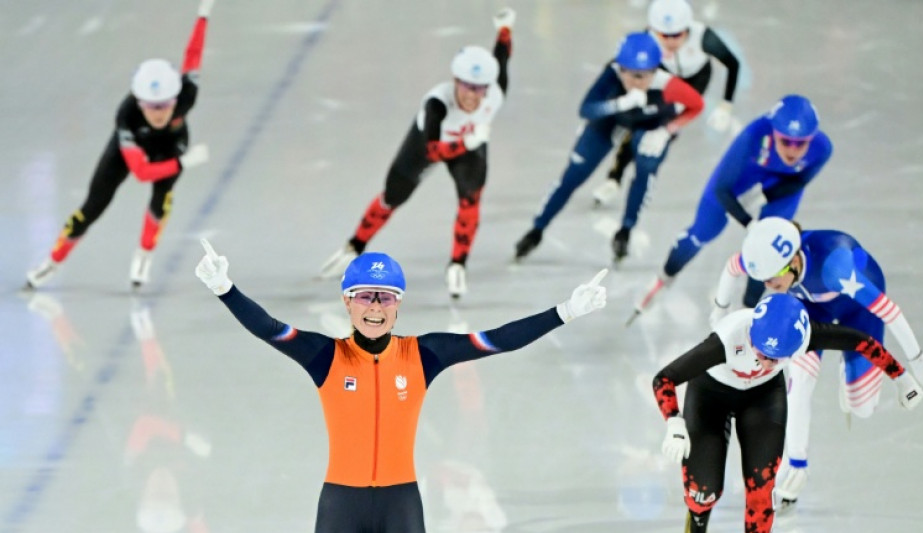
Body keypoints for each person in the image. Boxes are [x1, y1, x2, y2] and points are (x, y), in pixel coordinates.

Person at [194, 238, 607, 532]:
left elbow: (498, 339)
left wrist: (566, 311)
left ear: (399, 304)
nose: (375, 307)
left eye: (386, 298)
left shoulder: (423, 355)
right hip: (341, 503)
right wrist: (224, 289)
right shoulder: (325, 356)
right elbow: (268, 328)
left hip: (400, 504)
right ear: (346, 302)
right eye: (365, 296)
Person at [707, 217, 923, 507]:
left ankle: (850, 369)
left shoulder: (835, 266)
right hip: (810, 309)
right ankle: (796, 466)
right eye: (763, 280)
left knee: (863, 408)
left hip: (857, 310)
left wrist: (916, 360)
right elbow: (732, 268)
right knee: (800, 381)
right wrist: (719, 311)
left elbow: (889, 311)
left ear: (793, 261)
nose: (768, 285)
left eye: (772, 278)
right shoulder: (766, 256)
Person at [653, 293, 923, 533]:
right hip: (710, 396)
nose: (765, 361)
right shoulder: (726, 339)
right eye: (761, 352)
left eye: (776, 358)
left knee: (761, 491)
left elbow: (861, 342)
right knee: (703, 491)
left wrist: (902, 378)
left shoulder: (805, 336)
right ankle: (698, 524)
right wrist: (674, 422)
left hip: (761, 396)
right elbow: (664, 378)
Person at [317, 8, 516, 299]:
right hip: (429, 145)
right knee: (393, 195)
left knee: (471, 196)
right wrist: (468, 142)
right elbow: (433, 151)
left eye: (480, 89)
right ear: (455, 81)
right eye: (466, 86)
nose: (473, 95)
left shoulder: (495, 92)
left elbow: (502, 56)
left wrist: (505, 29)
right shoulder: (437, 104)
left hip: (468, 145)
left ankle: (458, 264)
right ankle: (355, 246)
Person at [23, 0, 215, 290]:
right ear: (139, 102)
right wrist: (182, 163)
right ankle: (52, 262)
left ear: (175, 100)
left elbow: (193, 54)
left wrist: (203, 15)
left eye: (164, 105)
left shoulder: (187, 95)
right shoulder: (126, 115)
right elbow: (140, 172)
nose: (159, 113)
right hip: (135, 154)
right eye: (151, 107)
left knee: (160, 204)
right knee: (92, 207)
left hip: (170, 146)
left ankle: (144, 256)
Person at [626, 94, 832, 323]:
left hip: (781, 189)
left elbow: (798, 182)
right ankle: (664, 277)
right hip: (739, 180)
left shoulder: (822, 149)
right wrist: (748, 221)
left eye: (801, 143)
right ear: (773, 133)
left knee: (770, 250)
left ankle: (749, 310)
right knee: (703, 230)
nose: (793, 150)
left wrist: (763, 197)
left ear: (811, 139)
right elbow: (722, 190)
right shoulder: (753, 135)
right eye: (786, 141)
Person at [513, 31, 703, 263]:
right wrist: (619, 103)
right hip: (613, 120)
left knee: (646, 166)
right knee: (573, 176)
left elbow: (697, 105)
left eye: (642, 77)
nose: (634, 82)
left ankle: (626, 230)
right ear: (619, 67)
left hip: (652, 125)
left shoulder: (668, 85)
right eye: (628, 74)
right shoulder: (611, 75)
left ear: (655, 71)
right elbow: (586, 109)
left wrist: (667, 131)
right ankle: (537, 230)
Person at [592, 0, 742, 206]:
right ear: (654, 30)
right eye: (664, 35)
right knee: (638, 125)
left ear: (687, 27)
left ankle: (643, 178)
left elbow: (733, 64)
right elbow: (619, 63)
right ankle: (614, 178)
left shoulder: (704, 37)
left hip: (695, 81)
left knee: (661, 133)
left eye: (677, 35)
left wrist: (726, 104)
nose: (671, 41)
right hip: (664, 76)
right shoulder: (648, 38)